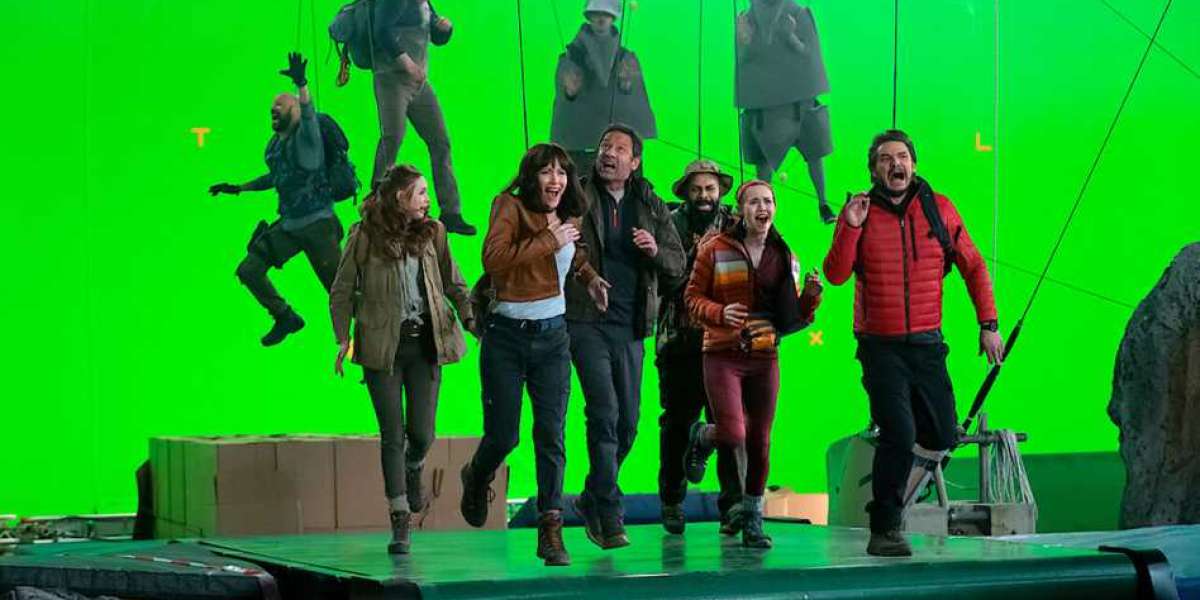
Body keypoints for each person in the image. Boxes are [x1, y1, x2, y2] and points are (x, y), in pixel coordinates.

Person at [823, 130, 1004, 557]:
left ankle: (904, 473)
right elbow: (835, 274)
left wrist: (989, 324)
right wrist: (849, 227)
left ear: (914, 164)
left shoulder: (939, 208)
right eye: (885, 159)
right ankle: (884, 527)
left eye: (902, 156)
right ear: (873, 170)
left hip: (927, 344)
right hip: (879, 347)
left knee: (943, 432)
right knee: (899, 432)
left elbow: (974, 266)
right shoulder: (860, 212)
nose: (895, 164)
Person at [458, 143, 603, 567]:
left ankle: (551, 529)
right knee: (504, 435)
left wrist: (589, 277)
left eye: (562, 172)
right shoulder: (508, 206)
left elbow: (571, 252)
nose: (556, 180)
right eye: (546, 172)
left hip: (553, 338)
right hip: (506, 336)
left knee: (552, 434)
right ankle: (478, 474)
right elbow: (494, 259)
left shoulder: (569, 214)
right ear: (531, 177)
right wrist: (546, 239)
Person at [328, 164, 475, 554]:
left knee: (422, 433)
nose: (428, 199)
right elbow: (341, 290)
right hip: (383, 349)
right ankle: (400, 519)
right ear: (400, 197)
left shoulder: (434, 232)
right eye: (421, 192)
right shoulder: (364, 235)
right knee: (392, 435)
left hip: (426, 344)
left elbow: (454, 283)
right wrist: (342, 338)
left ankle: (414, 467)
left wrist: (471, 318)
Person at [683, 180, 822, 549]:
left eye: (768, 202)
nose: (763, 208)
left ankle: (753, 518)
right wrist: (719, 312)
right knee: (733, 434)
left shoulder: (785, 255)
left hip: (765, 356)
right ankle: (704, 436)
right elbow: (692, 298)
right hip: (722, 353)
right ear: (741, 210)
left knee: (760, 441)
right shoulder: (715, 249)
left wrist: (810, 298)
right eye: (755, 202)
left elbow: (790, 321)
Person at [566, 124, 685, 549]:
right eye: (604, 145)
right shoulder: (577, 196)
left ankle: (591, 496)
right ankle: (610, 514)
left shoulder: (650, 203)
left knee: (628, 425)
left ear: (634, 162)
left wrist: (654, 250)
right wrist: (587, 275)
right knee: (604, 414)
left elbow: (677, 264)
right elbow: (564, 249)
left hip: (631, 325)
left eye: (619, 149)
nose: (609, 153)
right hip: (585, 320)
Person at [209, 52, 344, 346]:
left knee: (343, 297)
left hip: (318, 226)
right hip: (290, 225)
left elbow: (309, 116)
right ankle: (285, 316)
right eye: (272, 107)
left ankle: (386, 335)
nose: (274, 109)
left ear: (294, 109)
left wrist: (302, 84)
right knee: (249, 270)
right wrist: (238, 188)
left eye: (280, 105)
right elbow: (276, 177)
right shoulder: (276, 146)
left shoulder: (307, 140)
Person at [655, 160, 743, 535]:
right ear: (686, 193)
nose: (704, 196)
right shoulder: (668, 225)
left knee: (731, 424)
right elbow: (664, 277)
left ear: (720, 191)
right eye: (697, 189)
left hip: (727, 340)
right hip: (680, 338)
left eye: (710, 189)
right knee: (677, 423)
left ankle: (734, 505)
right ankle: (672, 500)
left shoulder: (738, 222)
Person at [370, 0, 474, 235]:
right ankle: (376, 204)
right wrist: (408, 65)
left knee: (440, 141)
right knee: (392, 138)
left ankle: (451, 212)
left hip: (418, 83)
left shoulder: (425, 2)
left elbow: (435, 35)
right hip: (392, 79)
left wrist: (444, 30)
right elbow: (381, 32)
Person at [735, 0, 835, 224]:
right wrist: (745, 41)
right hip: (766, 103)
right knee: (763, 160)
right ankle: (761, 212)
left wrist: (790, 37)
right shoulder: (748, 19)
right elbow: (745, 61)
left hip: (800, 100)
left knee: (814, 154)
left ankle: (823, 202)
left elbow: (810, 54)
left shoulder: (798, 13)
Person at [550, 0, 657, 175]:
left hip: (621, 150)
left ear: (613, 17)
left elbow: (635, 102)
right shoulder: (571, 58)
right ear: (589, 16)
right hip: (580, 148)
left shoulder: (626, 58)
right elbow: (565, 100)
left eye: (606, 13)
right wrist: (569, 91)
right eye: (596, 13)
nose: (601, 18)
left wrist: (627, 84)